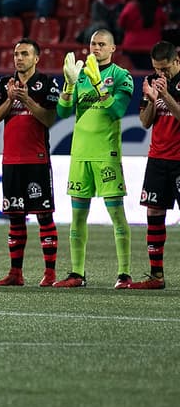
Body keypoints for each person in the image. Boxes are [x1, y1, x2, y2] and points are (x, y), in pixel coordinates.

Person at [54, 30, 135, 288]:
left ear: (113, 48)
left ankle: (124, 274)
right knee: (77, 216)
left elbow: (117, 110)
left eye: (101, 44)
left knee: (117, 215)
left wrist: (100, 84)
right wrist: (69, 84)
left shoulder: (122, 76)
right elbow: (62, 112)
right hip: (80, 154)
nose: (96, 48)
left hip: (106, 155)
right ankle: (77, 274)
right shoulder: (80, 76)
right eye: (93, 44)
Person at [0, 38, 61, 288]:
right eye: (16, 53)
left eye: (24, 54)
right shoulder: (4, 84)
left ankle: (49, 273)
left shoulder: (48, 84)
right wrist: (10, 99)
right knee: (16, 218)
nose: (19, 58)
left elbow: (50, 119)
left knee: (43, 216)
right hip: (11, 160)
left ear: (36, 58)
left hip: (36, 160)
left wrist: (28, 100)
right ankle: (15, 273)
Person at [135, 40, 180, 289]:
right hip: (157, 158)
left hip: (179, 160)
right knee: (153, 212)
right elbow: (144, 121)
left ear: (176, 61)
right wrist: (153, 100)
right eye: (156, 69)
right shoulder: (153, 82)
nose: (160, 74)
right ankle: (156, 275)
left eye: (164, 69)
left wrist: (165, 96)